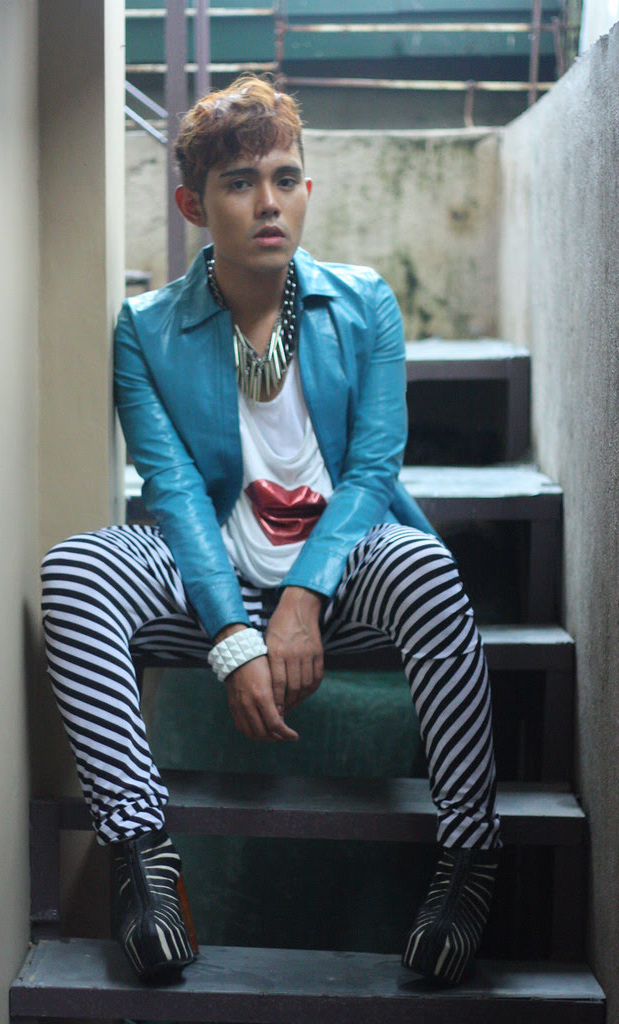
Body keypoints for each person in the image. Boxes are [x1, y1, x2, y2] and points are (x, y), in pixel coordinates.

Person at [41, 74, 501, 987]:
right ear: (194, 205)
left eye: (285, 179)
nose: (268, 203)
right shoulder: (145, 330)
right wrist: (230, 634)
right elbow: (174, 492)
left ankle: (470, 861)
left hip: (341, 573)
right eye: (241, 182)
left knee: (426, 566)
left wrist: (301, 599)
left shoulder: (363, 303)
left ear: (307, 189)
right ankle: (143, 860)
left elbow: (373, 471)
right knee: (75, 569)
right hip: (209, 567)